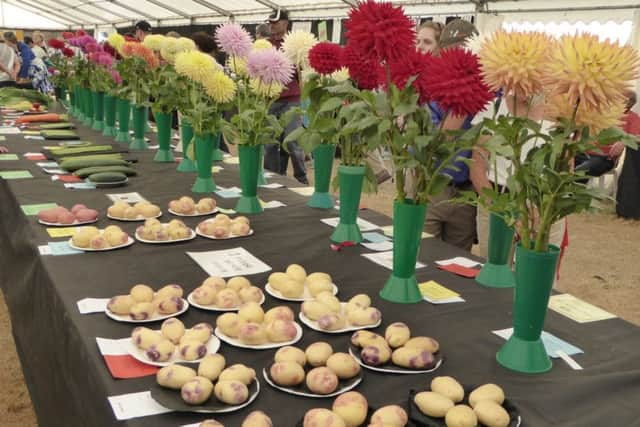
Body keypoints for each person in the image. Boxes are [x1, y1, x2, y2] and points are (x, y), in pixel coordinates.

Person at [470, 95, 566, 257]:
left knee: (537, 276)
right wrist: (503, 213)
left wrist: (542, 213)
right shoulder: (493, 108)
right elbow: (476, 168)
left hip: (544, 209)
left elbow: (565, 171)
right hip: (497, 204)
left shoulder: (560, 112)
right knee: (495, 274)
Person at [422, 19, 478, 251]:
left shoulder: (489, 91)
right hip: (433, 188)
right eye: (450, 53)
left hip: (466, 194)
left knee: (458, 265)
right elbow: (432, 144)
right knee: (423, 257)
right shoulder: (430, 89)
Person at [264, 9, 308, 184]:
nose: (272, 25)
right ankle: (273, 177)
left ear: (285, 23)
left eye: (275, 22)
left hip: (291, 98)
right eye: (270, 22)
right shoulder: (266, 44)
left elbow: (304, 71)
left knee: (292, 141)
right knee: (270, 143)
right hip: (271, 99)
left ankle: (301, 179)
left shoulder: (295, 45)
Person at [616, 90, 640, 219]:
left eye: (627, 100)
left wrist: (623, 141)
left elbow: (634, 137)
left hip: (610, 156)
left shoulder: (633, 118)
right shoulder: (608, 115)